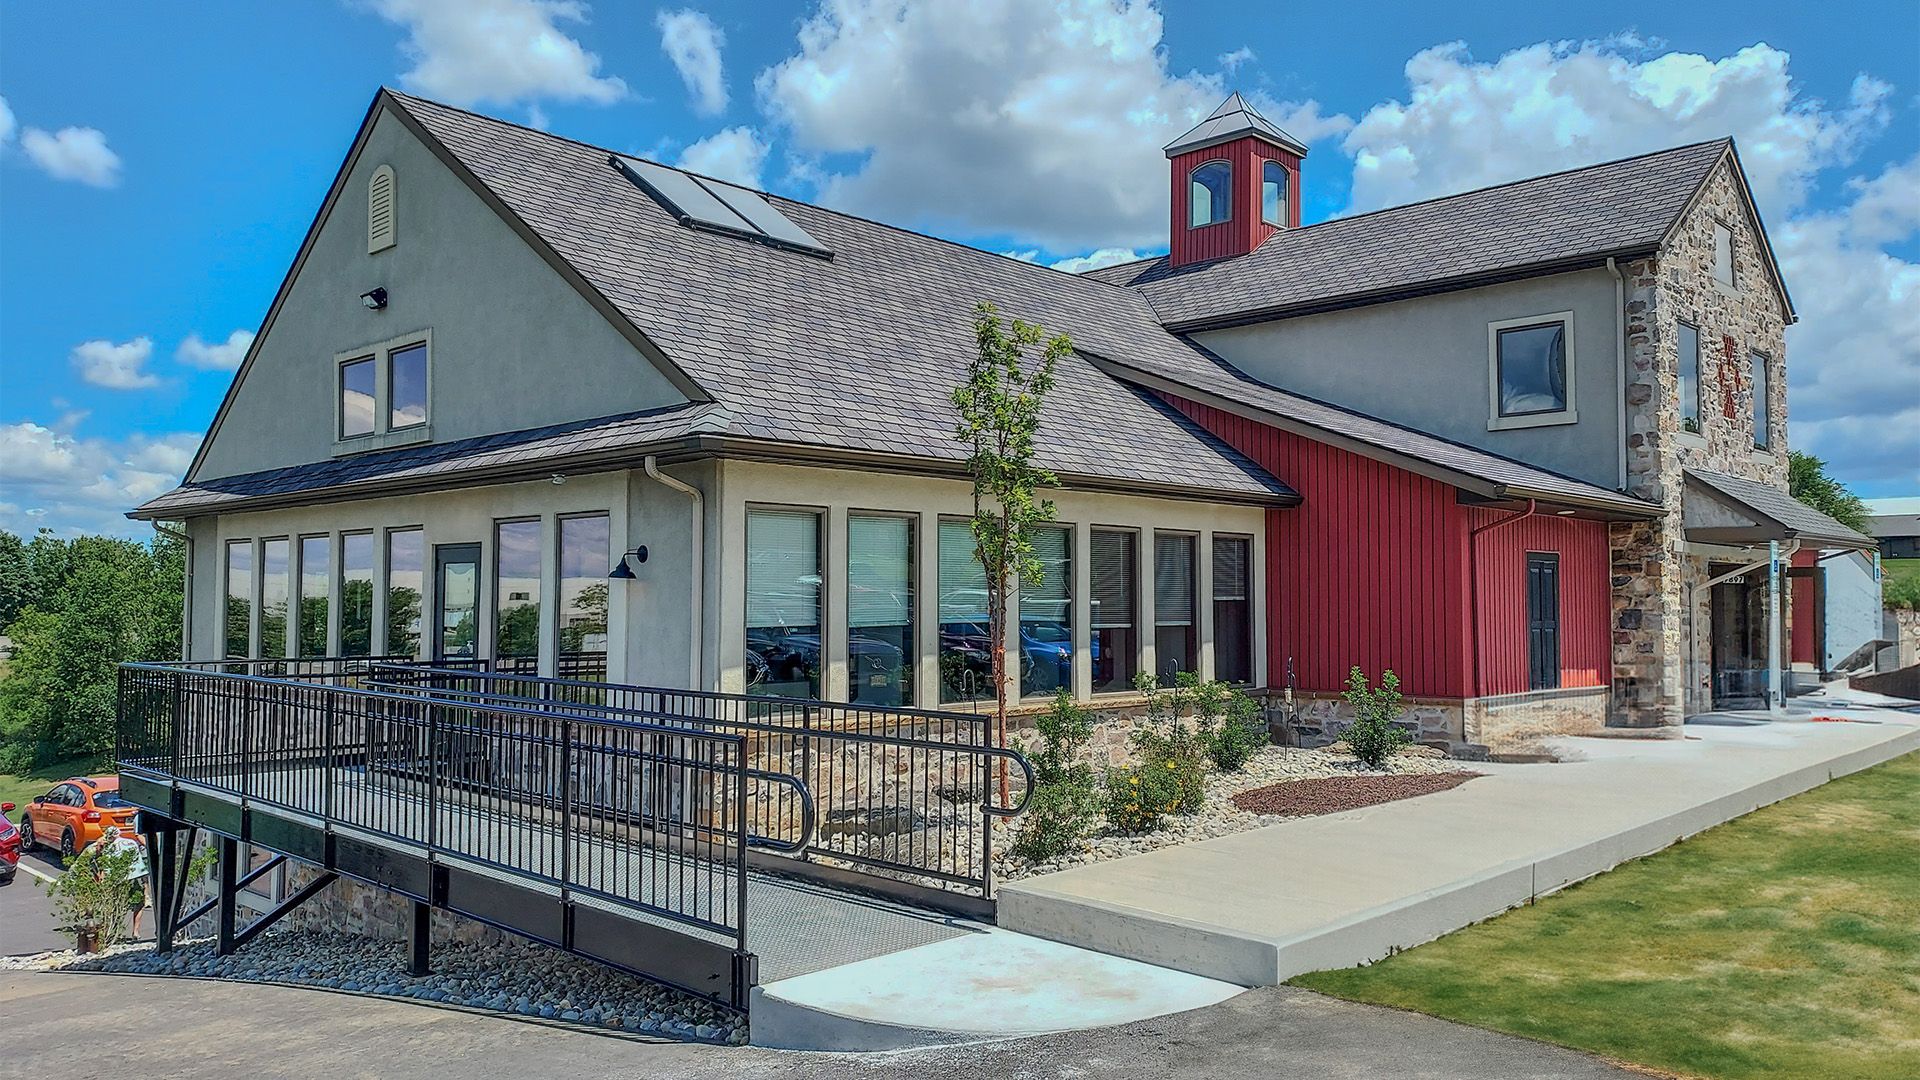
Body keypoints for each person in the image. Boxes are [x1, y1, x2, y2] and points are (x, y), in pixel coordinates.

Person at [96, 826, 150, 939]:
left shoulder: (109, 847)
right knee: (139, 904)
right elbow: (138, 860)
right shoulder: (131, 842)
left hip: (119, 879)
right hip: (135, 876)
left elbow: (107, 865)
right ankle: (135, 932)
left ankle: (113, 932)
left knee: (117, 905)